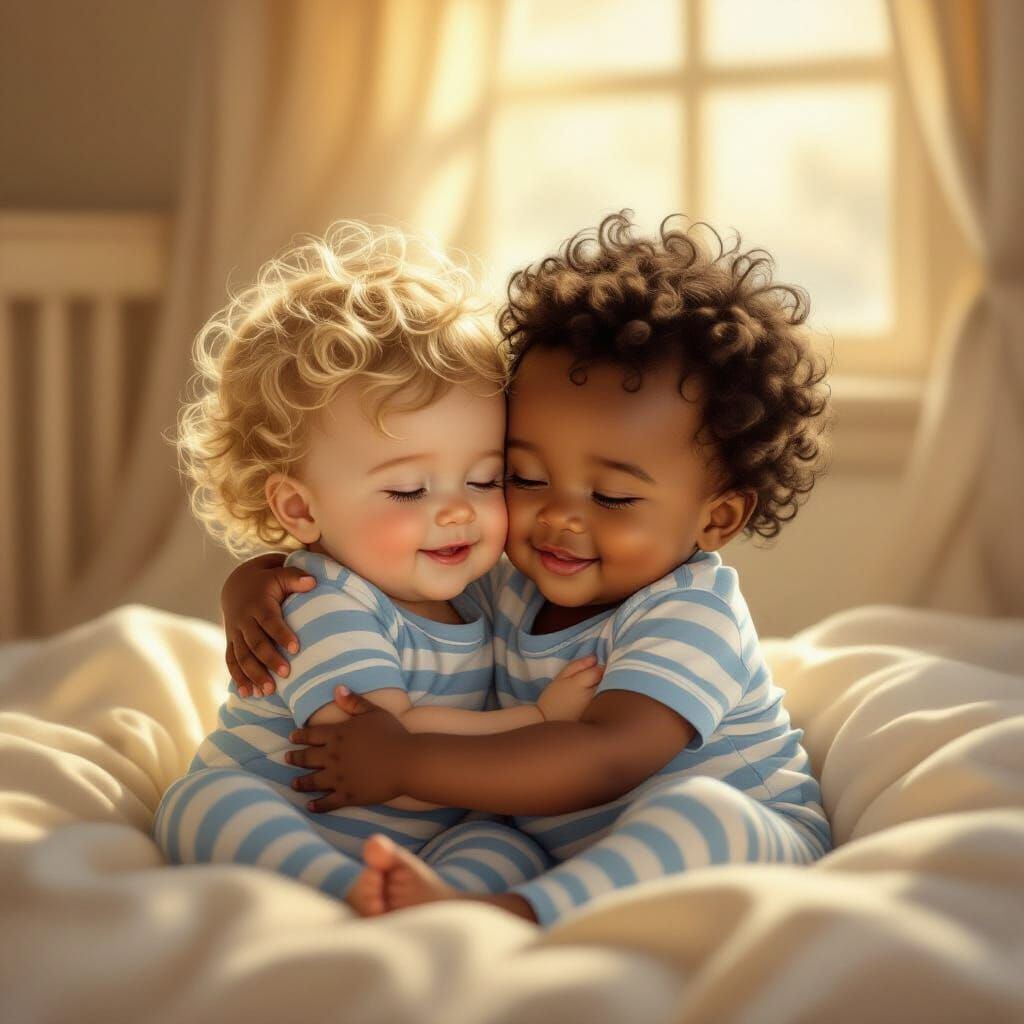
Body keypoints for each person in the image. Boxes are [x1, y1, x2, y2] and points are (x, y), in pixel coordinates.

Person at [223, 211, 833, 926]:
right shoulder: (512, 582)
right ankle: (465, 898)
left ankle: (519, 913)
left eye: (611, 496)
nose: (560, 518)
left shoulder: (691, 613)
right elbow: (371, 564)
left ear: (716, 519)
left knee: (697, 814)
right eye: (522, 477)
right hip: (567, 847)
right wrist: (257, 580)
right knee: (486, 833)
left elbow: (603, 757)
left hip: (738, 844)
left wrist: (406, 764)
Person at [152, 221, 603, 916]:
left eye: (484, 481)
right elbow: (390, 749)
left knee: (508, 844)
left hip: (428, 832)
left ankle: (438, 896)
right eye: (407, 490)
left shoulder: (479, 589)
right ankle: (341, 891)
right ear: (301, 510)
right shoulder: (321, 602)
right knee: (206, 804)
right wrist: (540, 719)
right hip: (298, 813)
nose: (456, 514)